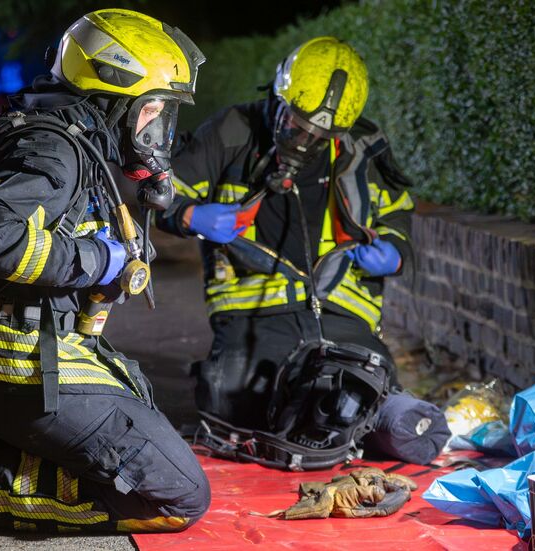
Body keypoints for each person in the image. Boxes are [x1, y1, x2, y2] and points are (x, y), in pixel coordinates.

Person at [0, 9, 210, 534]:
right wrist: (97, 259)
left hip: (26, 359)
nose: (156, 128)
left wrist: (115, 254)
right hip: (20, 364)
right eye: (152, 110)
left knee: (138, 401)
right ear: (113, 98)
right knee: (178, 497)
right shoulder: (54, 150)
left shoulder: (66, 141)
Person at [159, 37, 446, 462]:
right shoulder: (233, 130)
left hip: (342, 310)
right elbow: (160, 189)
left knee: (361, 393)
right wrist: (189, 215)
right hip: (255, 312)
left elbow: (396, 211)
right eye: (296, 124)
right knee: (230, 400)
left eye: (320, 135)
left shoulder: (362, 146)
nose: (305, 140)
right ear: (279, 97)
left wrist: (395, 250)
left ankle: (378, 416)